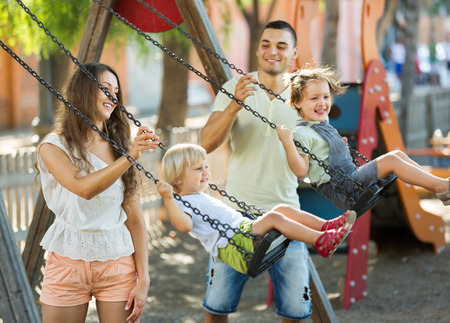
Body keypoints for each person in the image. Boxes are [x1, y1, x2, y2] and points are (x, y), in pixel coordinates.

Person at [201, 20, 312, 322]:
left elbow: (311, 163)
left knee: (295, 312)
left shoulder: (303, 95)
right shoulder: (235, 88)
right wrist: (236, 104)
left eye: (280, 45)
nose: (271, 51)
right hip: (235, 218)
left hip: (286, 217)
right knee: (216, 308)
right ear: (258, 48)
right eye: (266, 44)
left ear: (294, 53)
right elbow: (206, 143)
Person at [36, 63, 159, 323]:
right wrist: (131, 156)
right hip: (68, 262)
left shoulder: (120, 147)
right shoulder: (53, 146)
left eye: (116, 90)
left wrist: (144, 280)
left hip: (117, 262)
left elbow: (135, 219)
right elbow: (84, 188)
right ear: (82, 92)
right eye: (105, 88)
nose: (113, 97)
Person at [157, 143, 355, 270]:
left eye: (206, 166)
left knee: (282, 209)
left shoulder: (197, 194)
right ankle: (321, 241)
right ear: (177, 178)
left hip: (240, 231)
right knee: (275, 218)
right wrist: (168, 198)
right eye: (198, 169)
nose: (206, 171)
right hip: (233, 244)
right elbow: (184, 226)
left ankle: (327, 227)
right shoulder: (181, 202)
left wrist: (200, 183)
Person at [276, 66, 450, 210]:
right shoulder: (300, 133)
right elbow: (301, 171)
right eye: (314, 98)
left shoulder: (321, 124)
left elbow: (326, 158)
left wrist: (340, 148)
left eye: (326, 97)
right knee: (392, 161)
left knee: (397, 155)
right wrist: (287, 143)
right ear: (297, 102)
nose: (322, 103)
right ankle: (441, 186)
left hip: (349, 179)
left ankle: (439, 187)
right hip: (343, 189)